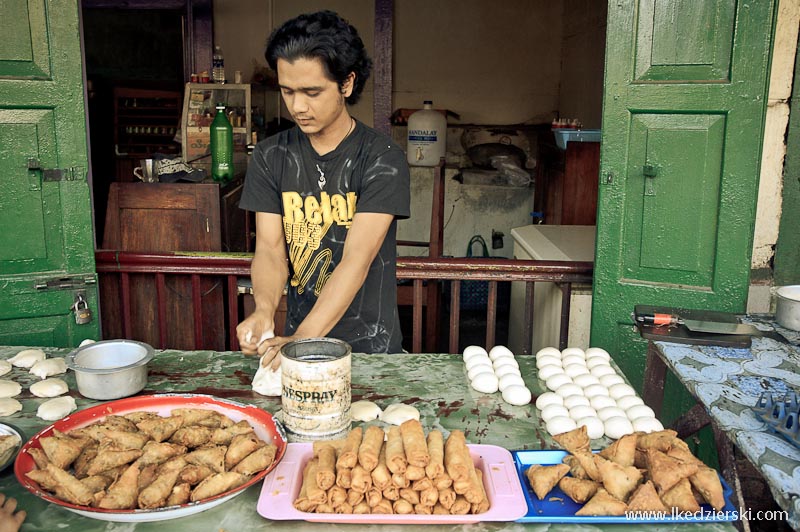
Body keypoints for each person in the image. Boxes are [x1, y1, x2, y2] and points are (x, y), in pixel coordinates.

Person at [237, 10, 411, 366]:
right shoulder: (271, 156)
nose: (298, 107)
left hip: (372, 350)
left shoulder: (382, 158)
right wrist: (265, 309)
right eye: (288, 91)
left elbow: (355, 261)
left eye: (312, 92)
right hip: (297, 342)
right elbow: (270, 249)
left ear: (346, 84)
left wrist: (301, 340)